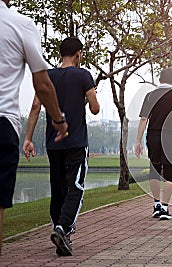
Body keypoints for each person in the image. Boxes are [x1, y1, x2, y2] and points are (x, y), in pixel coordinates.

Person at [0, 0, 68, 254]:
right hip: (2, 123)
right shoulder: (21, 25)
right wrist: (59, 121)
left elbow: (37, 101)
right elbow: (42, 86)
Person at [23, 37, 99, 256]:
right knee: (75, 188)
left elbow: (36, 105)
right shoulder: (83, 75)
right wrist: (88, 98)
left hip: (53, 145)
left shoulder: (48, 76)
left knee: (58, 190)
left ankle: (61, 236)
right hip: (76, 142)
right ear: (79, 54)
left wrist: (27, 139)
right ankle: (63, 228)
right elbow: (94, 108)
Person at [135, 68, 172, 221]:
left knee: (154, 169)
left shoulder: (150, 95)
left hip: (153, 135)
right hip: (170, 136)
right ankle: (165, 208)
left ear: (160, 79)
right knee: (169, 171)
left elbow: (143, 119)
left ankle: (156, 205)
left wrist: (138, 141)